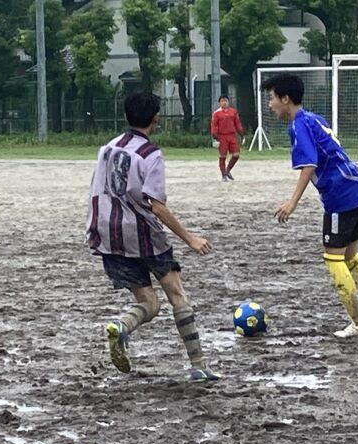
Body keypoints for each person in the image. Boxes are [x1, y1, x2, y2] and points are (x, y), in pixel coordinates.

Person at [85, 90, 220, 381]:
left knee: (148, 303)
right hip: (144, 235)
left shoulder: (106, 148)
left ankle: (122, 325)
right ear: (156, 119)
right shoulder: (151, 154)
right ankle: (198, 364)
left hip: (109, 236)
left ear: (126, 116)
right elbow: (156, 206)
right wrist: (190, 238)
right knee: (177, 296)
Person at [260, 73, 358, 338]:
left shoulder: (299, 125)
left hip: (341, 198)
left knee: (333, 258)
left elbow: (309, 164)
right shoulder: (313, 119)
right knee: (350, 257)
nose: (270, 104)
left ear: (285, 99)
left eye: (272, 98)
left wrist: (292, 202)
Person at [211, 94, 244, 182]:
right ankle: (223, 175)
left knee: (236, 154)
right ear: (219, 103)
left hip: (232, 135)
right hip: (222, 136)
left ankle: (227, 171)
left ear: (228, 102)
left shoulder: (233, 112)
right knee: (222, 156)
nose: (224, 103)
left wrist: (240, 132)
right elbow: (214, 125)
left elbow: (237, 122)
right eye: (222, 101)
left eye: (225, 100)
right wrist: (214, 135)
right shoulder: (216, 113)